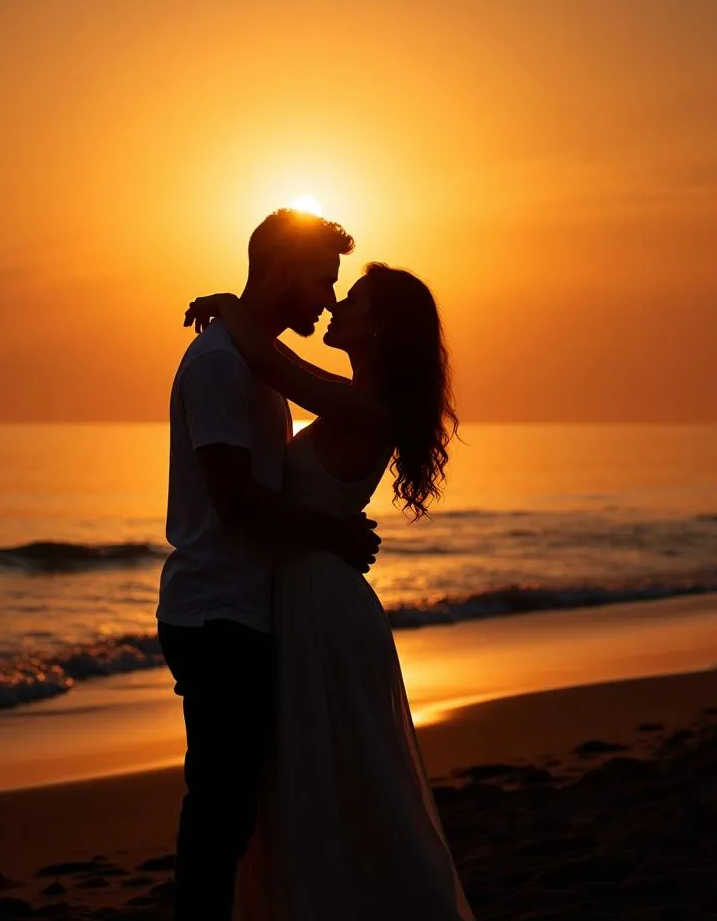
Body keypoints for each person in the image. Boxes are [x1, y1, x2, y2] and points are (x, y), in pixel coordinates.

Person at [185, 259, 474, 920]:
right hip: (312, 597)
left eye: (355, 301)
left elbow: (275, 365)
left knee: (338, 777)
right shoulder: (361, 403)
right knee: (324, 774)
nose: (337, 306)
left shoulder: (364, 407)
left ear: (377, 329)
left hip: (321, 609)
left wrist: (231, 302)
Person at [156, 209, 382, 921]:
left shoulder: (257, 367)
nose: (328, 300)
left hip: (243, 612)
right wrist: (332, 535)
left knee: (234, 810)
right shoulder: (222, 363)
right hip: (217, 613)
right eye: (323, 280)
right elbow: (234, 501)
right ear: (283, 270)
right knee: (220, 813)